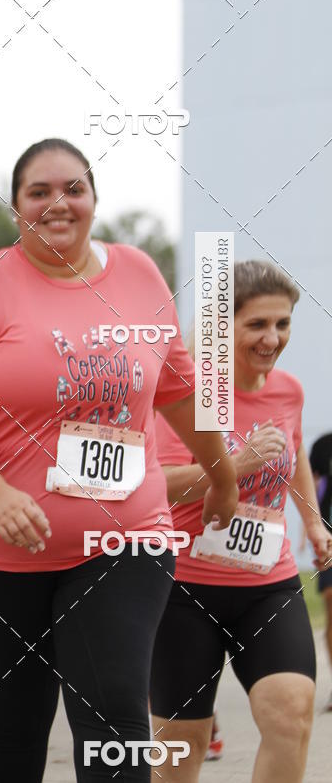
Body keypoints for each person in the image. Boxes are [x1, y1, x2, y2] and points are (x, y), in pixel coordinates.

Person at [0, 138, 238, 782]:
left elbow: (179, 392)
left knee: (115, 711)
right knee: (13, 726)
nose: (57, 204)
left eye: (74, 189)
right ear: (15, 208)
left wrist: (221, 477)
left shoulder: (139, 274)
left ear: (94, 201)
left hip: (126, 537)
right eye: (39, 192)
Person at [150, 259, 332, 782]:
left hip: (267, 584)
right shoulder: (187, 397)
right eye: (257, 324)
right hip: (184, 587)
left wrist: (313, 522)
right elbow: (156, 484)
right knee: (184, 746)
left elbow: (293, 452)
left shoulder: (288, 391)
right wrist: (236, 465)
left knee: (292, 712)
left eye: (283, 324)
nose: (272, 338)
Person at [307, 431, 332, 710]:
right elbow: (309, 486)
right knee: (330, 602)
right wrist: (310, 526)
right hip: (330, 538)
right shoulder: (323, 445)